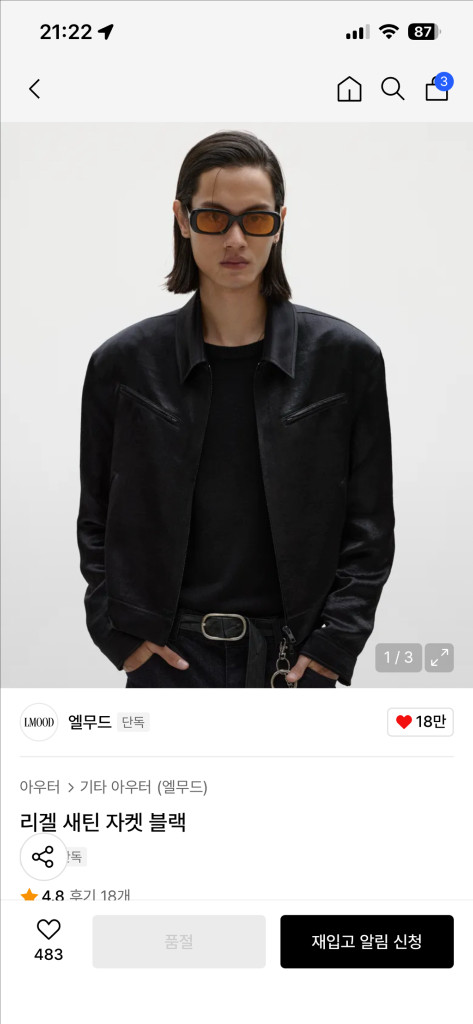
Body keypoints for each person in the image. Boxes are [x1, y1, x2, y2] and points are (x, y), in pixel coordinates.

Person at [77, 130, 395, 689]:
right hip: (169, 662)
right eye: (213, 217)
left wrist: (335, 643)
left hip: (292, 662)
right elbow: (98, 519)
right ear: (182, 219)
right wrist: (119, 634)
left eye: (256, 219)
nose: (235, 239)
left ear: (280, 223)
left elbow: (370, 525)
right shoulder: (124, 365)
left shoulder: (346, 361)